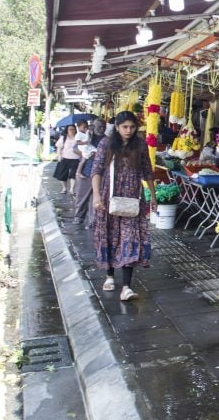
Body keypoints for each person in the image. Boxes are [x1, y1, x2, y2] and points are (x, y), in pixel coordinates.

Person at [91, 111, 157, 302]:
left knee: (130, 237)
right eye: (124, 127)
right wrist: (96, 196)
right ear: (117, 127)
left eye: (132, 127)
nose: (128, 131)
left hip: (132, 198)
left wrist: (152, 197)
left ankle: (127, 286)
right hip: (108, 197)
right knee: (110, 236)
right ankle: (110, 276)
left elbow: (147, 171)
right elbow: (96, 171)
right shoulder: (106, 144)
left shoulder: (141, 145)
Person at [73, 118, 106, 227]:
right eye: (99, 126)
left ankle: (94, 221)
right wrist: (85, 154)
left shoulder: (107, 140)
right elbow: (75, 149)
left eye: (103, 127)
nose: (102, 129)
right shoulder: (88, 137)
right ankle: (79, 217)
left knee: (97, 198)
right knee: (82, 196)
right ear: (93, 127)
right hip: (86, 171)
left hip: (101, 173)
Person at [54, 124, 81, 194]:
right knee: (62, 174)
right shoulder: (64, 138)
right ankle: (64, 188)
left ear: (75, 130)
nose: (72, 131)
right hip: (64, 157)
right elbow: (59, 147)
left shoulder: (78, 137)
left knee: (73, 174)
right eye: (70, 129)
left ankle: (72, 189)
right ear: (67, 130)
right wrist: (59, 156)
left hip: (75, 158)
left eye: (73, 129)